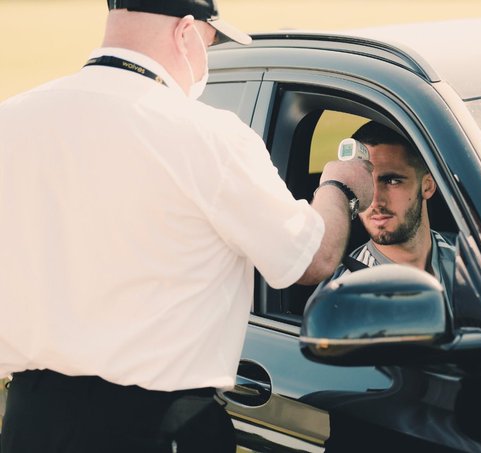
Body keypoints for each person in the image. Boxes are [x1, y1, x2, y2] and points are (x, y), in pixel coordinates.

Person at [0, 1, 372, 452]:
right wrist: (340, 187)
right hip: (156, 427)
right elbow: (311, 259)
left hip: (30, 422)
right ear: (186, 33)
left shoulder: (11, 122)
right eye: (210, 45)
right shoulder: (208, 136)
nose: (205, 62)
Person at [323, 121, 455, 301]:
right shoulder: (346, 293)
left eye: (392, 181)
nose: (375, 201)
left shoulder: (473, 261)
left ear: (427, 186)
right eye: (365, 184)